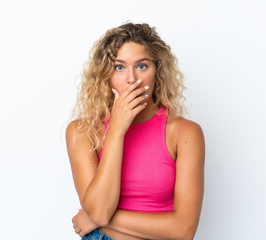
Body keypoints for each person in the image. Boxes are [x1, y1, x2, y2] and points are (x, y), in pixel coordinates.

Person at [65, 22, 205, 240]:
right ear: (105, 74)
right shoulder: (82, 131)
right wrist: (117, 129)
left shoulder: (185, 133)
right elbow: (100, 210)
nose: (131, 79)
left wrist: (95, 219)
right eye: (119, 67)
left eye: (141, 66)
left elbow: (183, 231)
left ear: (157, 71)